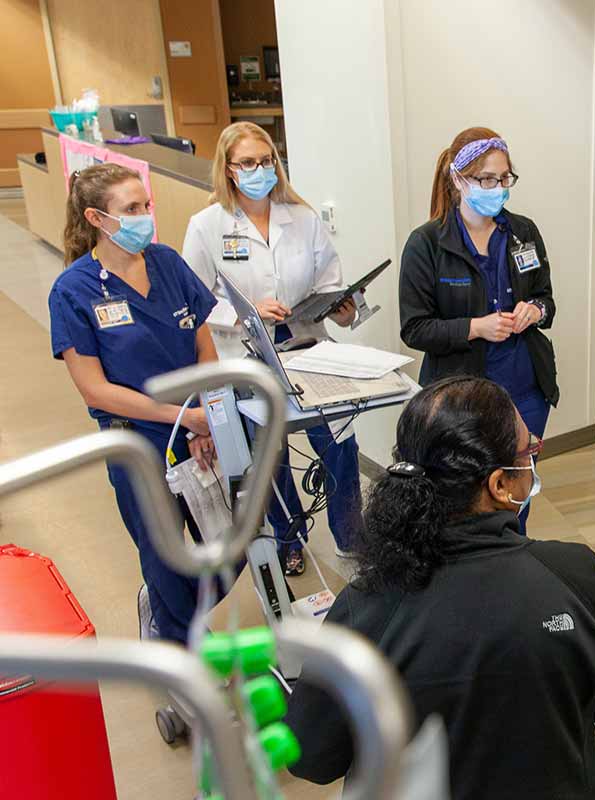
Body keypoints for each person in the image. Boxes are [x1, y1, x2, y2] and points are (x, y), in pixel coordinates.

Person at [284, 376, 595, 800]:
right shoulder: (577, 576)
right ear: (499, 484)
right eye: (529, 450)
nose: (534, 457)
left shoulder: (365, 605)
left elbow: (309, 757)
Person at [48, 163, 220, 644]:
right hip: (136, 440)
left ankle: (168, 611)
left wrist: (205, 419)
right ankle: (182, 649)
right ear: (97, 218)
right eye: (132, 209)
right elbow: (95, 389)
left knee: (231, 544)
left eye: (146, 205)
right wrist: (182, 417)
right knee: (164, 552)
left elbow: (206, 349)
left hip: (198, 425)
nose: (146, 216)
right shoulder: (73, 291)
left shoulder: (167, 264)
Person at [182, 122, 363, 576]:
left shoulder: (301, 218)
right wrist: (244, 314)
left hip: (307, 345)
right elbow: (194, 302)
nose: (259, 170)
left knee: (339, 442)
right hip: (244, 355)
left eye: (266, 161)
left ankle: (353, 538)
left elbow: (330, 283)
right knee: (271, 453)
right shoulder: (206, 227)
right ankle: (290, 539)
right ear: (228, 169)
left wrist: (342, 309)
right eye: (247, 163)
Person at [399, 127, 556, 530]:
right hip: (461, 397)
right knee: (464, 501)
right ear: (458, 179)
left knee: (516, 496)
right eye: (488, 179)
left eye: (505, 178)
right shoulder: (428, 244)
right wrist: (475, 327)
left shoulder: (523, 232)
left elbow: (546, 297)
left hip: (524, 389)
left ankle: (514, 561)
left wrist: (534, 311)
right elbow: (415, 329)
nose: (499, 188)